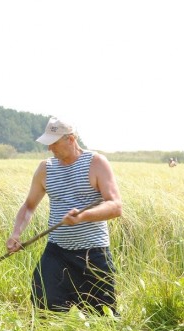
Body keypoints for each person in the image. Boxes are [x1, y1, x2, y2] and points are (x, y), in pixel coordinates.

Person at [6, 117, 122, 314]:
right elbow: (28, 206)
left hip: (92, 253)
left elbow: (115, 206)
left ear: (71, 139)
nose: (50, 148)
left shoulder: (96, 163)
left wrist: (82, 217)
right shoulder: (46, 168)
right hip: (57, 251)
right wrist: (16, 234)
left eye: (54, 143)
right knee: (43, 303)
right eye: (48, 143)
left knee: (102, 315)